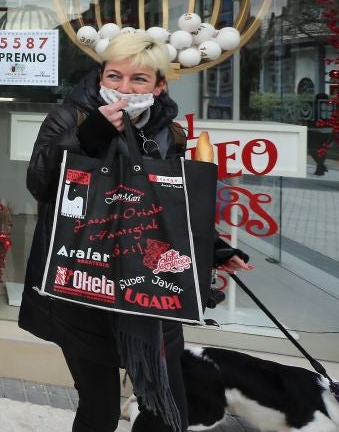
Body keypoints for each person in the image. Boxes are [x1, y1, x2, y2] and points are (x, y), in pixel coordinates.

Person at [18, 33, 252, 432]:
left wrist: (212, 249)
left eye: (139, 80)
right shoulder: (71, 117)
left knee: (165, 406)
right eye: (114, 76)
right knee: (100, 408)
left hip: (149, 290)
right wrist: (90, 134)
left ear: (159, 85)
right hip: (83, 285)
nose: (124, 89)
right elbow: (40, 183)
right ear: (100, 76)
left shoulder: (170, 133)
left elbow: (172, 208)